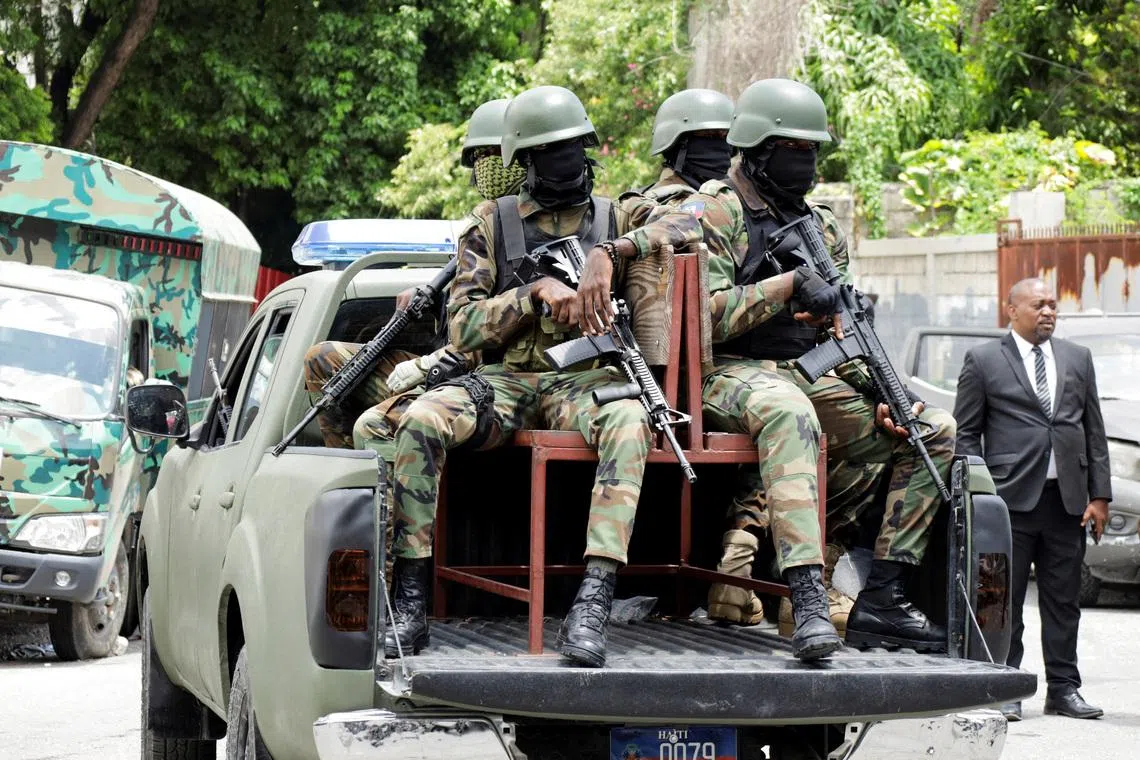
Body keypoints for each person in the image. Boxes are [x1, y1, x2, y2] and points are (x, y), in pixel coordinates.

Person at [383, 84, 701, 668]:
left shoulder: (617, 213)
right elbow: (462, 327)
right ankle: (410, 593)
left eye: (573, 148)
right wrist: (531, 294)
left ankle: (594, 599)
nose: (565, 161)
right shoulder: (491, 224)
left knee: (630, 420)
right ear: (525, 160)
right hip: (508, 382)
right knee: (422, 419)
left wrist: (612, 251)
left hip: (583, 381)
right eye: (549, 151)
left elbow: (692, 219)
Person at [683, 78, 954, 660]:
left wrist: (880, 392)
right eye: (792, 150)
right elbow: (701, 318)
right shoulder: (715, 210)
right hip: (724, 372)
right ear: (757, 149)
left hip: (803, 371)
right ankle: (805, 596)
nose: (804, 162)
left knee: (928, 429)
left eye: (811, 151)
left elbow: (839, 329)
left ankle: (883, 596)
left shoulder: (821, 226)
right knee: (792, 411)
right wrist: (785, 287)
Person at [302, 97, 525, 455]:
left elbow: (497, 337)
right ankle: (346, 465)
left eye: (493, 154)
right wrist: (435, 294)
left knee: (373, 425)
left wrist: (429, 363)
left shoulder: (530, 233)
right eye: (479, 157)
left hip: (479, 381)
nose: (485, 167)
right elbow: (466, 296)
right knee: (323, 360)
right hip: (446, 369)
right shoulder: (485, 223)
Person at [954, 278, 1110, 721]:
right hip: (1006, 504)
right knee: (1000, 600)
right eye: (1038, 304)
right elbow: (967, 433)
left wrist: (1099, 495)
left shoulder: (1077, 358)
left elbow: (1093, 429)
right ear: (1011, 310)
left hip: (1067, 503)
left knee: (1064, 602)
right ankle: (1003, 685)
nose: (1048, 312)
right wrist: (977, 493)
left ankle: (1063, 689)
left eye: (1053, 305)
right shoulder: (984, 360)